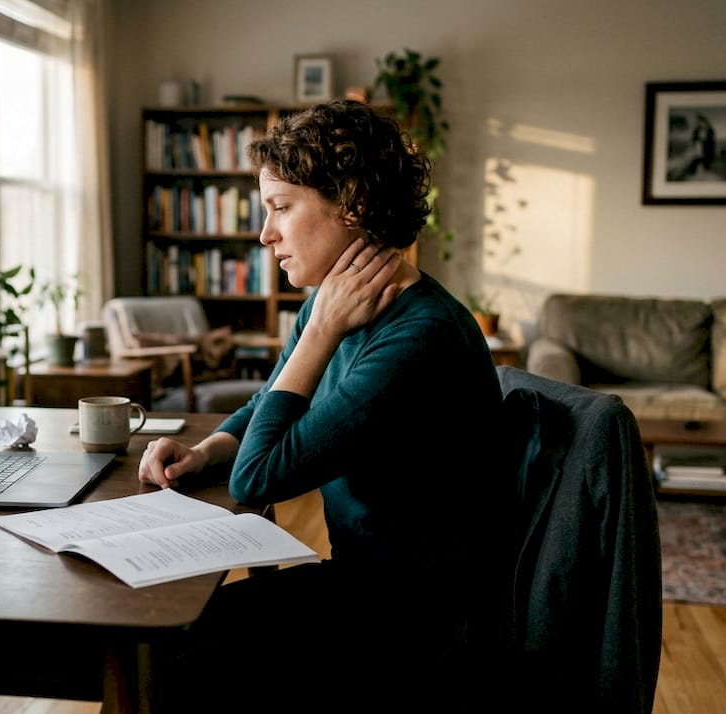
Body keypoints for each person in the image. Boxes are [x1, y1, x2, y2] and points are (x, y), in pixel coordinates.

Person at [137, 99, 508, 712]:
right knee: (171, 634)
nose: (266, 234)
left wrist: (317, 335)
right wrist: (206, 451)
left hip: (416, 622)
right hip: (370, 587)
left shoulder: (418, 335)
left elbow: (259, 479)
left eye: (281, 207)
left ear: (352, 203)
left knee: (172, 651)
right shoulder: (336, 301)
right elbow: (270, 401)